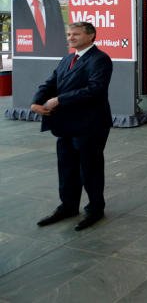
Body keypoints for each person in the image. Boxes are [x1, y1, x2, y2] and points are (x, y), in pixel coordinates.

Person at [31, 22, 113, 231]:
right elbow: (50, 83)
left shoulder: (100, 59)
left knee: (90, 169)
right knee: (67, 168)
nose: (70, 38)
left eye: (76, 34)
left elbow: (95, 89)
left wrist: (59, 100)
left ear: (91, 36)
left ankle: (95, 209)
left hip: (90, 124)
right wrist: (36, 101)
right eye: (68, 34)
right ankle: (68, 206)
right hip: (65, 123)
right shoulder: (67, 59)